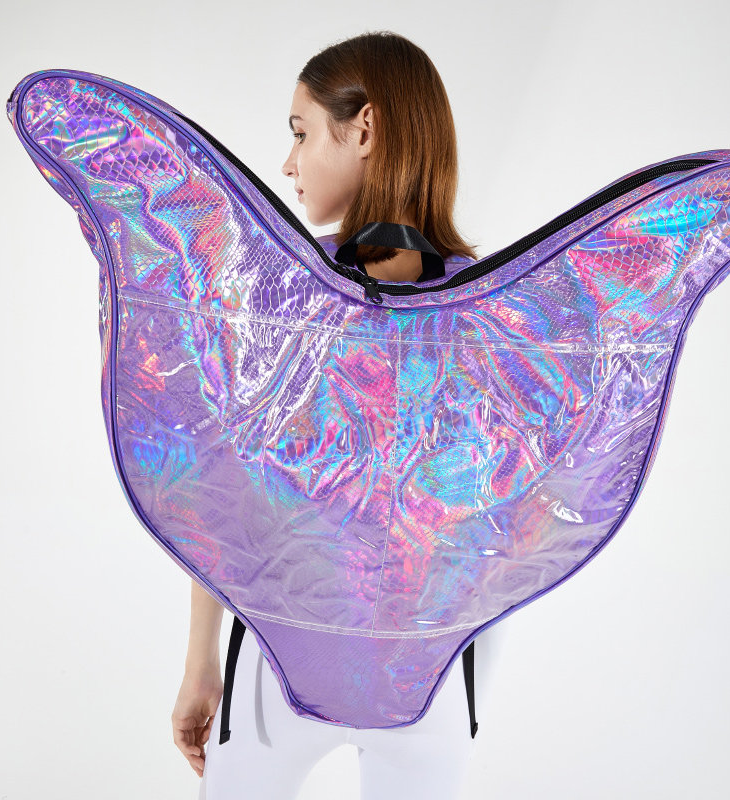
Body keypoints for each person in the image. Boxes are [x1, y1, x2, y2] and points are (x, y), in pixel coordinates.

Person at [171, 30, 510, 800]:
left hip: (291, 665)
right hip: (426, 680)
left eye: (301, 133)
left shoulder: (274, 290)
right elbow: (502, 522)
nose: (288, 163)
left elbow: (226, 488)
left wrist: (200, 665)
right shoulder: (497, 308)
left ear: (364, 129)